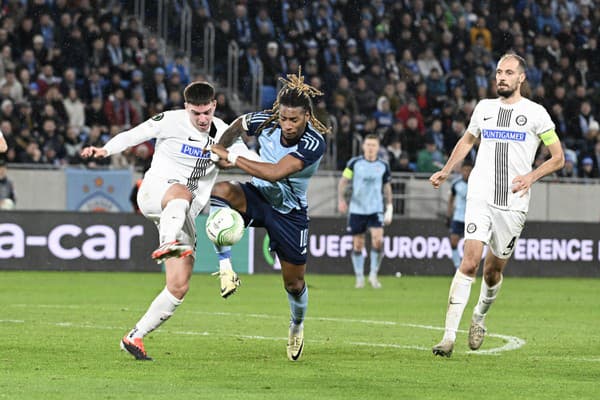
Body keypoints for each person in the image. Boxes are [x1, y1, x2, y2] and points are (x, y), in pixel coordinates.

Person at [80, 81, 255, 360]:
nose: (201, 119)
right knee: (180, 191)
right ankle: (168, 242)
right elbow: (134, 134)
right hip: (155, 192)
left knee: (179, 285)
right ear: (186, 108)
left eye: (206, 113)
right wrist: (105, 150)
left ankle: (135, 336)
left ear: (214, 106)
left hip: (183, 212)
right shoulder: (170, 121)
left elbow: (251, 161)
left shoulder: (224, 133)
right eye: (195, 113)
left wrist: (275, 172)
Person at [429, 53, 564, 357]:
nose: (501, 77)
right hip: (480, 194)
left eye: (508, 72)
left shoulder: (537, 114)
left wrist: (531, 176)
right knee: (470, 260)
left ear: (521, 78)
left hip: (513, 203)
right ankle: (448, 336)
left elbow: (558, 157)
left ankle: (480, 314)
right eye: (499, 72)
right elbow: (467, 141)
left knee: (492, 272)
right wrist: (447, 169)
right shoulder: (483, 108)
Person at [208, 71, 328, 361]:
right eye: (284, 118)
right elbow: (239, 124)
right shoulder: (268, 121)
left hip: (289, 213)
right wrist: (221, 148)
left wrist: (232, 157)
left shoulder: (314, 143)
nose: (287, 125)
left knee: (294, 284)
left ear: (307, 117)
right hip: (259, 196)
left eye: (294, 120)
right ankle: (225, 268)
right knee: (221, 191)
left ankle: (297, 325)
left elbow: (275, 173)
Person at [337, 134, 393, 289]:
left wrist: (390, 207)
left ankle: (373, 275)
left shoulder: (383, 165)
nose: (370, 148)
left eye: (373, 145)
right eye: (368, 145)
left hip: (375, 209)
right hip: (357, 209)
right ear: (363, 147)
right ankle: (359, 277)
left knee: (377, 240)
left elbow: (387, 187)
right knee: (358, 245)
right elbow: (343, 181)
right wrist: (341, 200)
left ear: (378, 147)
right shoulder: (355, 163)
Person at [446, 160, 473, 269]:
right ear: (461, 170)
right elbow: (451, 200)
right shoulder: (456, 183)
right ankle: (458, 267)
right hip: (458, 217)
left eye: (469, 170)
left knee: (469, 246)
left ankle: (469, 268)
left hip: (471, 218)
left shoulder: (477, 183)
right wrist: (448, 215)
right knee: (453, 242)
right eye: (465, 170)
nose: (466, 172)